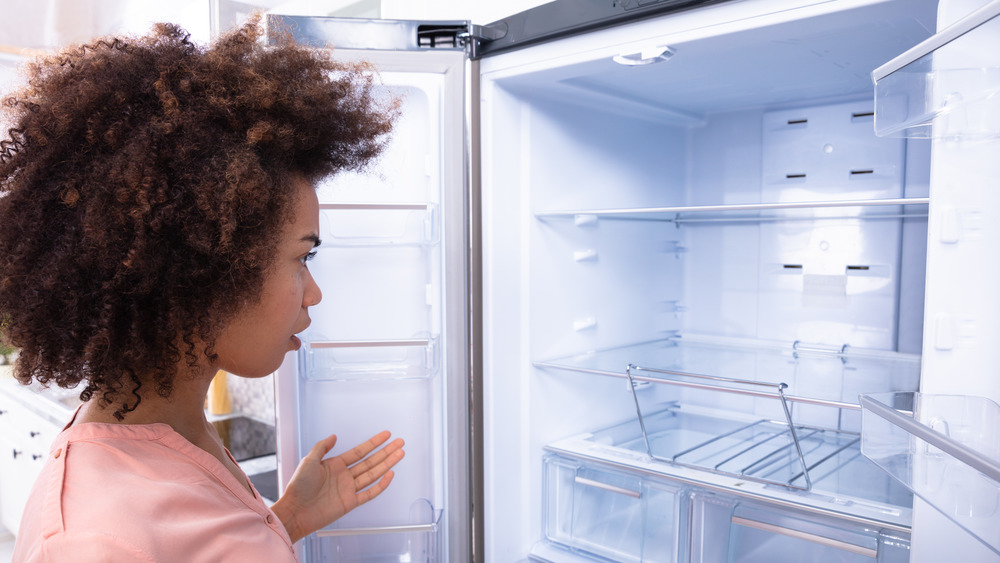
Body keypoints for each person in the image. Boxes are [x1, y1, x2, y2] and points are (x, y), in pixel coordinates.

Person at [0, 15, 403, 562]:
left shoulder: (172, 425)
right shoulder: (93, 545)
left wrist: (284, 521)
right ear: (206, 275)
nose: (314, 294)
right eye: (302, 258)